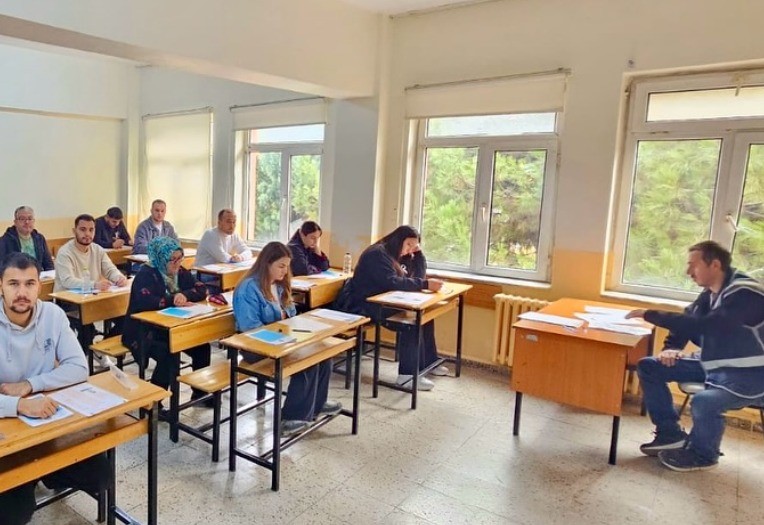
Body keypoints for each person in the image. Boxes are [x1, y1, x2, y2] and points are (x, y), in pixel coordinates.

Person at [627, 241, 764, 472]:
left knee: (704, 401)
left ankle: (704, 455)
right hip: (715, 364)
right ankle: (670, 434)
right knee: (649, 366)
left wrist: (650, 314)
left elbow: (708, 325)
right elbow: (690, 319)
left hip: (751, 374)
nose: (688, 272)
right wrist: (671, 347)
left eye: (693, 265)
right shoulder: (711, 291)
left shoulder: (746, 294)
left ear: (715, 265)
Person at [0, 252, 109, 525]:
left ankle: (46, 473)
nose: (22, 293)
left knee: (101, 475)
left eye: (29, 283)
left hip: (47, 424)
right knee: (14, 512)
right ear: (0, 286)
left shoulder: (53, 315)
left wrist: (30, 385)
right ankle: (29, 481)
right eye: (13, 284)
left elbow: (78, 367)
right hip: (6, 431)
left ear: (40, 285)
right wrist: (19, 405)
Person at [232, 241, 341, 437]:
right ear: (267, 263)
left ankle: (317, 403)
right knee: (306, 360)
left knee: (322, 352)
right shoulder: (249, 287)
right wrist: (281, 329)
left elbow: (291, 314)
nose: (285, 271)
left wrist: (288, 327)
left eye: (287, 266)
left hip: (280, 339)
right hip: (255, 347)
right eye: (281, 266)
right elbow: (250, 329)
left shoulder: (279, 285)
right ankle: (291, 418)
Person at [346, 225, 445, 390]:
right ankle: (407, 376)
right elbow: (391, 282)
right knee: (411, 323)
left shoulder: (398, 254)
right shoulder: (377, 254)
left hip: (387, 301)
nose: (409, 250)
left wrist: (419, 256)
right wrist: (425, 284)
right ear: (398, 240)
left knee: (425, 317)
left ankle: (429, 362)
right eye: (408, 245)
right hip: (365, 304)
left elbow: (417, 277)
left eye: (414, 246)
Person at [122, 237, 212, 406]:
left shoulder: (180, 272)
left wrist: (185, 295)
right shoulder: (146, 274)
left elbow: (201, 288)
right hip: (144, 331)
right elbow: (146, 301)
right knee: (169, 355)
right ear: (161, 258)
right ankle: (154, 403)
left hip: (171, 327)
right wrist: (173, 300)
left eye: (180, 258)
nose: (177, 264)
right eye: (173, 259)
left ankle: (199, 392)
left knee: (202, 347)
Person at [54, 214, 128, 351]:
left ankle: (101, 350)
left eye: (91, 230)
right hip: (69, 303)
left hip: (92, 299)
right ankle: (83, 356)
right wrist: (94, 285)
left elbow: (110, 269)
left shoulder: (97, 249)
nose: (87, 234)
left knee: (126, 320)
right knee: (87, 328)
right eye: (82, 229)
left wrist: (119, 278)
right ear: (74, 231)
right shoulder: (65, 252)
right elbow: (67, 281)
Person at [0, 206, 54, 271]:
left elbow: (48, 264)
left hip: (38, 275)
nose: (27, 222)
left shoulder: (39, 238)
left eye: (30, 218)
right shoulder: (5, 241)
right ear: (15, 222)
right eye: (22, 219)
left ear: (34, 221)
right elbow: (2, 266)